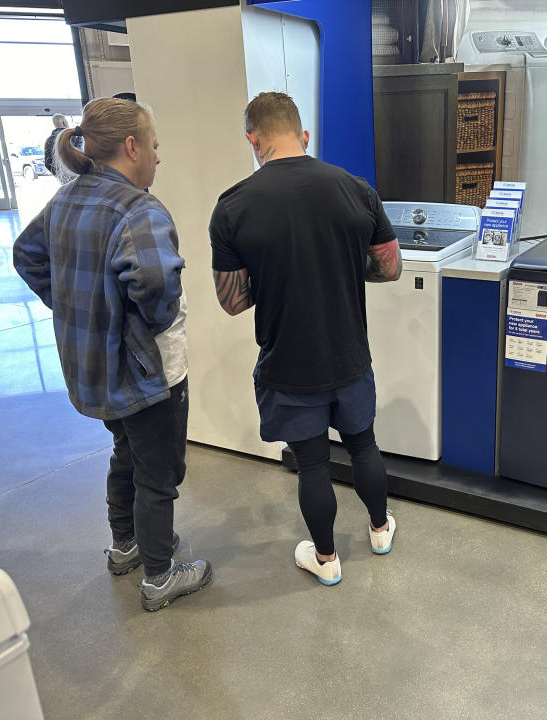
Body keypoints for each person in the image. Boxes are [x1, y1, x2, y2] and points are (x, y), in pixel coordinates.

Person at [12, 98, 211, 611]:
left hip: (90, 370)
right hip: (144, 373)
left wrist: (74, 307)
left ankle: (126, 547)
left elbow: (26, 254)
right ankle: (161, 575)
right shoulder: (138, 208)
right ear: (131, 147)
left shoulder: (66, 198)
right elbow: (153, 280)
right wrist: (153, 318)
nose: (158, 158)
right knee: (158, 471)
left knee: (126, 453)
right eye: (155, 146)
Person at [209, 92, 402, 586]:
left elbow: (231, 301)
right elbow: (390, 266)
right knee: (364, 445)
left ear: (253, 140)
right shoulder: (356, 190)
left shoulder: (232, 206)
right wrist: (340, 266)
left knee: (313, 462)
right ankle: (380, 530)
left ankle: (327, 559)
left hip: (289, 362)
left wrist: (274, 276)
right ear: (304, 136)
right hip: (349, 355)